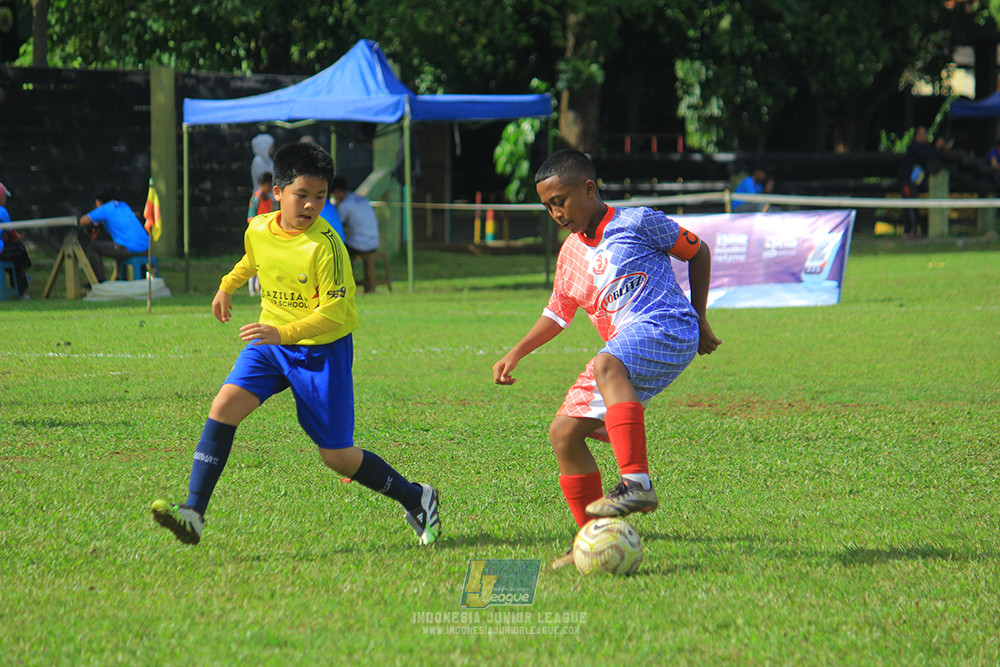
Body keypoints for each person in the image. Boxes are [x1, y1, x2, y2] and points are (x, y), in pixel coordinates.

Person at [151, 142, 440, 546]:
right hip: (271, 344)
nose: (310, 206)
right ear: (277, 192)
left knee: (336, 456)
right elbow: (252, 260)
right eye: (301, 195)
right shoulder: (258, 228)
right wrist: (226, 287)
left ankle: (416, 497)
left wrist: (283, 334)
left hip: (321, 351)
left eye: (319, 197)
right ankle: (193, 513)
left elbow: (333, 315)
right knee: (223, 407)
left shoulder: (327, 247)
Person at [492, 149, 721, 569]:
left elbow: (698, 251)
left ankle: (636, 482)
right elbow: (557, 313)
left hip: (668, 325)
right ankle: (589, 539)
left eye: (559, 201)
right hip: (625, 349)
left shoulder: (637, 222)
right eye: (547, 207)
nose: (555, 213)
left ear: (588, 188)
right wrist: (516, 352)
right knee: (563, 434)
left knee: (605, 364)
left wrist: (700, 318)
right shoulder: (570, 255)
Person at [78, 189, 149, 283]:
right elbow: (137, 215)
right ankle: (121, 278)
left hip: (132, 249)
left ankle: (100, 282)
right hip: (147, 249)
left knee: (93, 247)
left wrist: (94, 223)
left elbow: (83, 221)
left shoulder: (105, 209)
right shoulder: (123, 205)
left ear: (98, 202)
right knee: (119, 245)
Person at [898, 126, 953, 237]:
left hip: (915, 183)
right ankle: (909, 231)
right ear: (917, 135)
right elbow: (926, 155)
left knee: (915, 205)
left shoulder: (925, 147)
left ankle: (913, 231)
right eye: (923, 134)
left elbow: (931, 153)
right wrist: (938, 148)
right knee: (910, 205)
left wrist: (941, 148)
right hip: (907, 182)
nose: (926, 136)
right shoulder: (913, 147)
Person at [246, 172, 278, 296]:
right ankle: (251, 288)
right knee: (252, 260)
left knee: (263, 260)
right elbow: (251, 217)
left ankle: (258, 286)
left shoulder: (269, 200)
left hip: (266, 234)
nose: (270, 188)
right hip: (256, 233)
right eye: (268, 186)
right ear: (261, 185)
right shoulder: (256, 198)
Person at [331, 176, 380, 254]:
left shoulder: (345, 205)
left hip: (360, 245)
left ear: (338, 191)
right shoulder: (362, 199)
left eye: (334, 195)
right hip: (374, 242)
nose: (335, 198)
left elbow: (338, 223)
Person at [0, 181, 32, 299]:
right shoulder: (2, 211)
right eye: (4, 196)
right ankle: (21, 289)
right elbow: (12, 235)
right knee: (18, 249)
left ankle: (23, 274)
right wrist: (19, 237)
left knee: (14, 250)